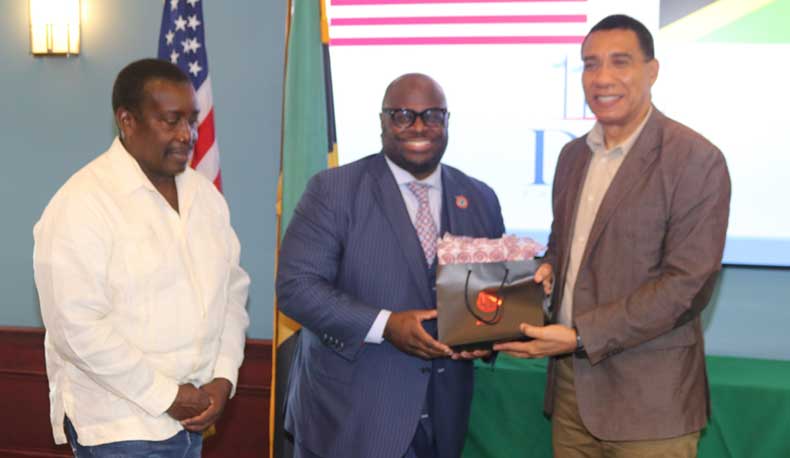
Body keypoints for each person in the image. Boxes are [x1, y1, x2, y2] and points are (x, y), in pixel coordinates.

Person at [494, 14, 731, 457]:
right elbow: (563, 246)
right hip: (571, 392)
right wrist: (546, 270)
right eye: (590, 64)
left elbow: (687, 286)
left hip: (650, 401)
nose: (602, 78)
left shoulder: (695, 159)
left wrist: (581, 335)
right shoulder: (571, 156)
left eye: (620, 62)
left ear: (652, 70)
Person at [276, 73, 505, 458]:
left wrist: (486, 337)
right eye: (402, 115)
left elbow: (492, 296)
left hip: (444, 421)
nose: (418, 126)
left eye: (432, 116)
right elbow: (296, 287)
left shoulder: (479, 197)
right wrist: (384, 325)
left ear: (448, 122)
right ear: (382, 122)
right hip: (350, 421)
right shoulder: (333, 190)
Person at [33, 58, 250, 457]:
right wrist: (166, 395)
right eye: (171, 121)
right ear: (127, 121)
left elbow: (232, 293)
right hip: (121, 424)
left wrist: (223, 377)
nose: (187, 135)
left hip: (195, 415)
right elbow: (75, 326)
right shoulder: (82, 204)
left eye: (192, 120)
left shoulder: (206, 198)